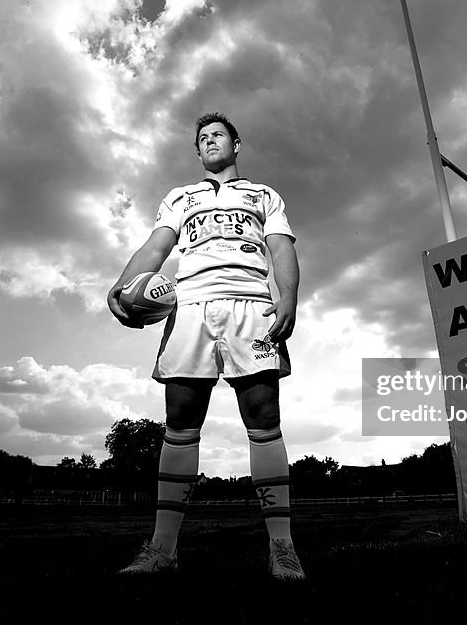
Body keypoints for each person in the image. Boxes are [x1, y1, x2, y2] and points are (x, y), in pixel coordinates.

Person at [106, 112, 305, 581]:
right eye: (202, 139)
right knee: (180, 419)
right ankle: (162, 549)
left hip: (250, 305)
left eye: (217, 135)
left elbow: (280, 248)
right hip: (190, 307)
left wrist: (289, 296)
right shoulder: (180, 196)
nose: (209, 142)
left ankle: (282, 547)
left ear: (236, 143)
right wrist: (119, 287)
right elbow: (156, 247)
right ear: (197, 153)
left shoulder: (264, 194)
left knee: (263, 416)